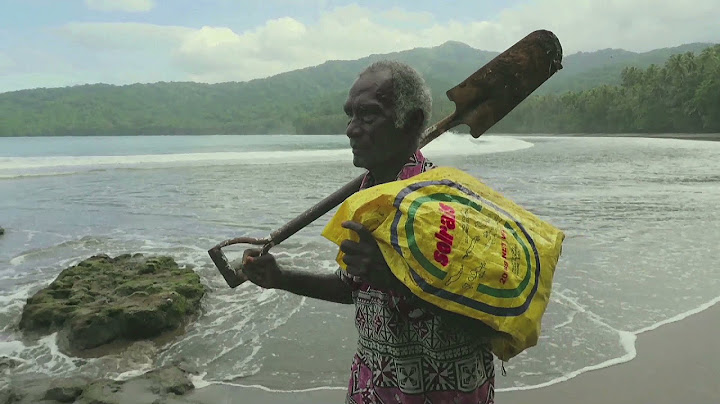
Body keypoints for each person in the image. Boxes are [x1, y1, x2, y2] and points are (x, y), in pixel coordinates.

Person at [241, 60, 498, 404]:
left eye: (368, 115)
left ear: (412, 122)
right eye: (350, 115)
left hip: (439, 393)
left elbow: (487, 320)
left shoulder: (450, 203)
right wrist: (281, 277)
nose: (351, 129)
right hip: (372, 388)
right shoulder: (366, 200)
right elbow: (352, 288)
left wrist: (396, 280)